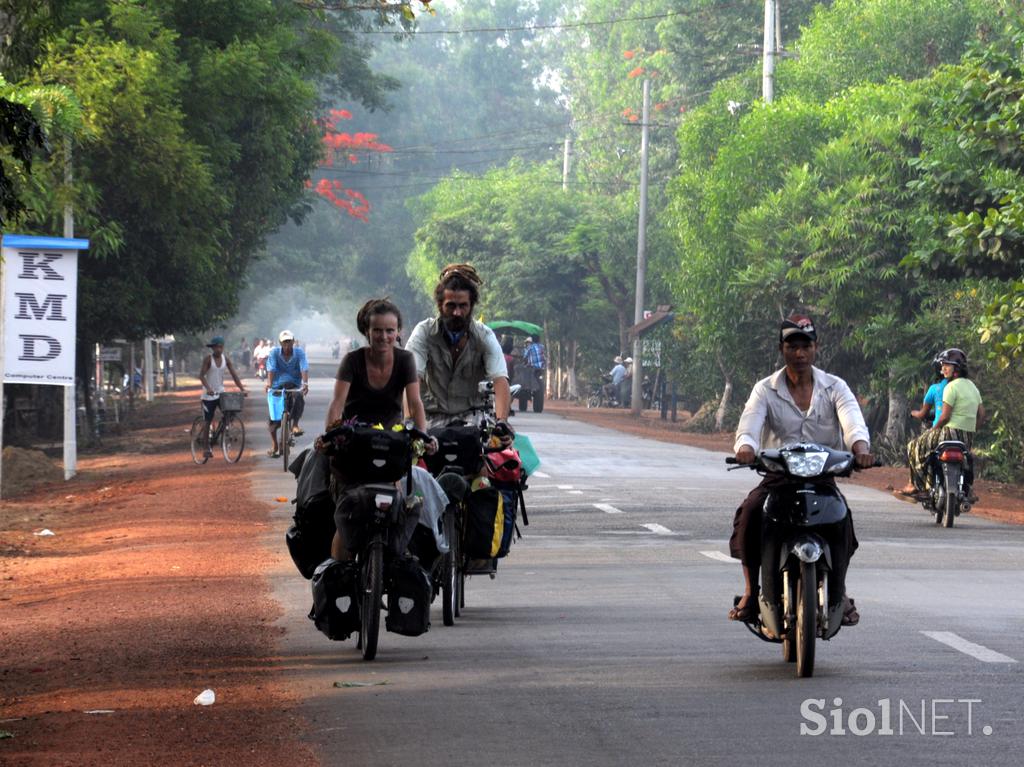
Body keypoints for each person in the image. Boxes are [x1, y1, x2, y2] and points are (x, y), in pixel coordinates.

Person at [729, 314, 873, 625]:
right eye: (792, 346)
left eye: (805, 346)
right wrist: (746, 448)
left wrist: (860, 449)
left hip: (822, 476)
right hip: (779, 476)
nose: (800, 353)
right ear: (781, 349)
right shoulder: (765, 389)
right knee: (753, 510)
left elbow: (852, 421)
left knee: (841, 520)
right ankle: (752, 591)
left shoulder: (835, 387)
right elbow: (750, 423)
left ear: (815, 348)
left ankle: (839, 591)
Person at [320, 298, 439, 561]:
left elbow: (415, 402)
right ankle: (340, 578)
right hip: (354, 444)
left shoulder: (406, 360)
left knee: (398, 507)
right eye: (377, 330)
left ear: (398, 332)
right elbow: (337, 403)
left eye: (389, 330)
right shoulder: (352, 361)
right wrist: (331, 435)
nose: (383, 336)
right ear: (366, 331)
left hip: (391, 443)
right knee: (348, 515)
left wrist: (422, 435)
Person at [405, 263, 512, 433]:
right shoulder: (423, 333)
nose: (457, 312)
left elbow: (500, 380)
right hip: (431, 417)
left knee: (501, 456)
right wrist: (409, 422)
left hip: (473, 419)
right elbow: (411, 380)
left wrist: (502, 422)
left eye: (463, 306)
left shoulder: (484, 336)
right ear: (440, 305)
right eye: (451, 306)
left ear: (471, 306)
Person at [900, 348, 984, 498]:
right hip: (966, 438)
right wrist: (970, 430)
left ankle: (916, 486)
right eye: (942, 365)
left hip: (948, 433)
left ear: (956, 368)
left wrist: (934, 430)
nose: (943, 369)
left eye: (947, 365)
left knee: (913, 446)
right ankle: (967, 488)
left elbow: (944, 417)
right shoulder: (973, 387)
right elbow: (982, 415)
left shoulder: (950, 387)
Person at [197, 335, 247, 458]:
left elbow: (234, 375)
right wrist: (208, 389)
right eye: (215, 347)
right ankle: (205, 447)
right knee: (208, 420)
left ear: (222, 347)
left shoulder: (226, 360)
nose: (218, 349)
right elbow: (202, 376)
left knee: (229, 413)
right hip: (208, 396)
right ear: (213, 348)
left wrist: (242, 389)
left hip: (220, 393)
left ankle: (223, 434)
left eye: (220, 347)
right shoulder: (208, 360)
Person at [266, 330, 309, 458]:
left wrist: (305, 384)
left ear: (293, 342)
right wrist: (269, 384)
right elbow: (271, 369)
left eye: (289, 342)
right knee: (273, 422)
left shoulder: (299, 353)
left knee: (299, 398)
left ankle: (295, 425)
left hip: (294, 385)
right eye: (284, 342)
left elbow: (304, 367)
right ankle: (274, 445)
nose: (287, 345)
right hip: (277, 386)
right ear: (280, 343)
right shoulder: (274, 353)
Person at [910, 356, 947, 428]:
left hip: (939, 431)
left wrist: (913, 413)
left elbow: (922, 415)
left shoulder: (934, 388)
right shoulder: (959, 386)